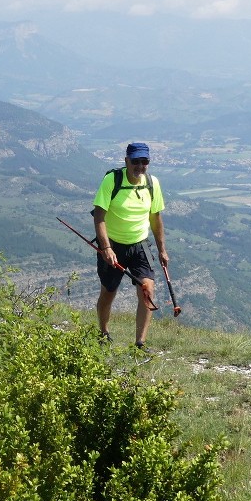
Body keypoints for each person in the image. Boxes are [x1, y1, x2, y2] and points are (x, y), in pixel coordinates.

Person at [91, 142, 168, 350]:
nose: (140, 166)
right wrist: (106, 248)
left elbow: (156, 217)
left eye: (145, 161)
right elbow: (99, 216)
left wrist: (162, 249)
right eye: (136, 161)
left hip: (140, 245)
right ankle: (103, 332)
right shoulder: (112, 180)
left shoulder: (152, 183)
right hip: (113, 246)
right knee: (109, 292)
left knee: (147, 289)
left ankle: (140, 344)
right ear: (126, 161)